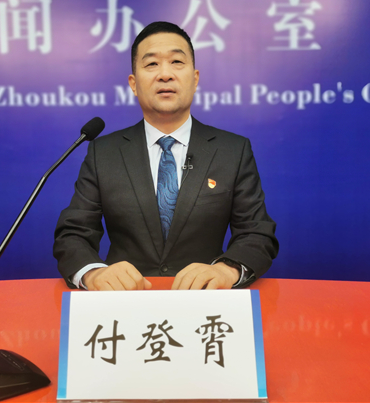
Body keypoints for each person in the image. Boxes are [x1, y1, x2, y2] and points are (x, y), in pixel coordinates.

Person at [54, 21, 278, 291]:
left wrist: (226, 270)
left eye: (176, 62)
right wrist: (92, 274)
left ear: (195, 79)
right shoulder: (104, 152)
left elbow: (257, 232)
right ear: (133, 84)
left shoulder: (232, 150)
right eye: (151, 64)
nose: (165, 74)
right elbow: (73, 234)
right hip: (125, 302)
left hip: (205, 301)